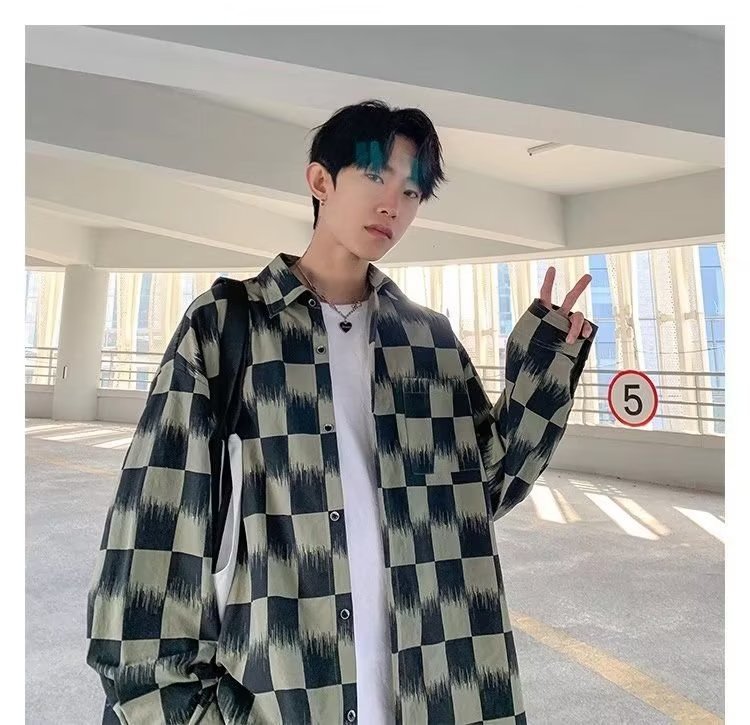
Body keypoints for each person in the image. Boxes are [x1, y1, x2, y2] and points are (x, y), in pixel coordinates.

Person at [87, 99, 596, 725]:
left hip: (441, 691)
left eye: (412, 192)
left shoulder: (428, 341)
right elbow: (154, 526)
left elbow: (484, 490)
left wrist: (546, 362)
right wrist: (176, 708)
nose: (393, 205)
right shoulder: (228, 326)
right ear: (320, 180)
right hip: (285, 694)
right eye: (376, 177)